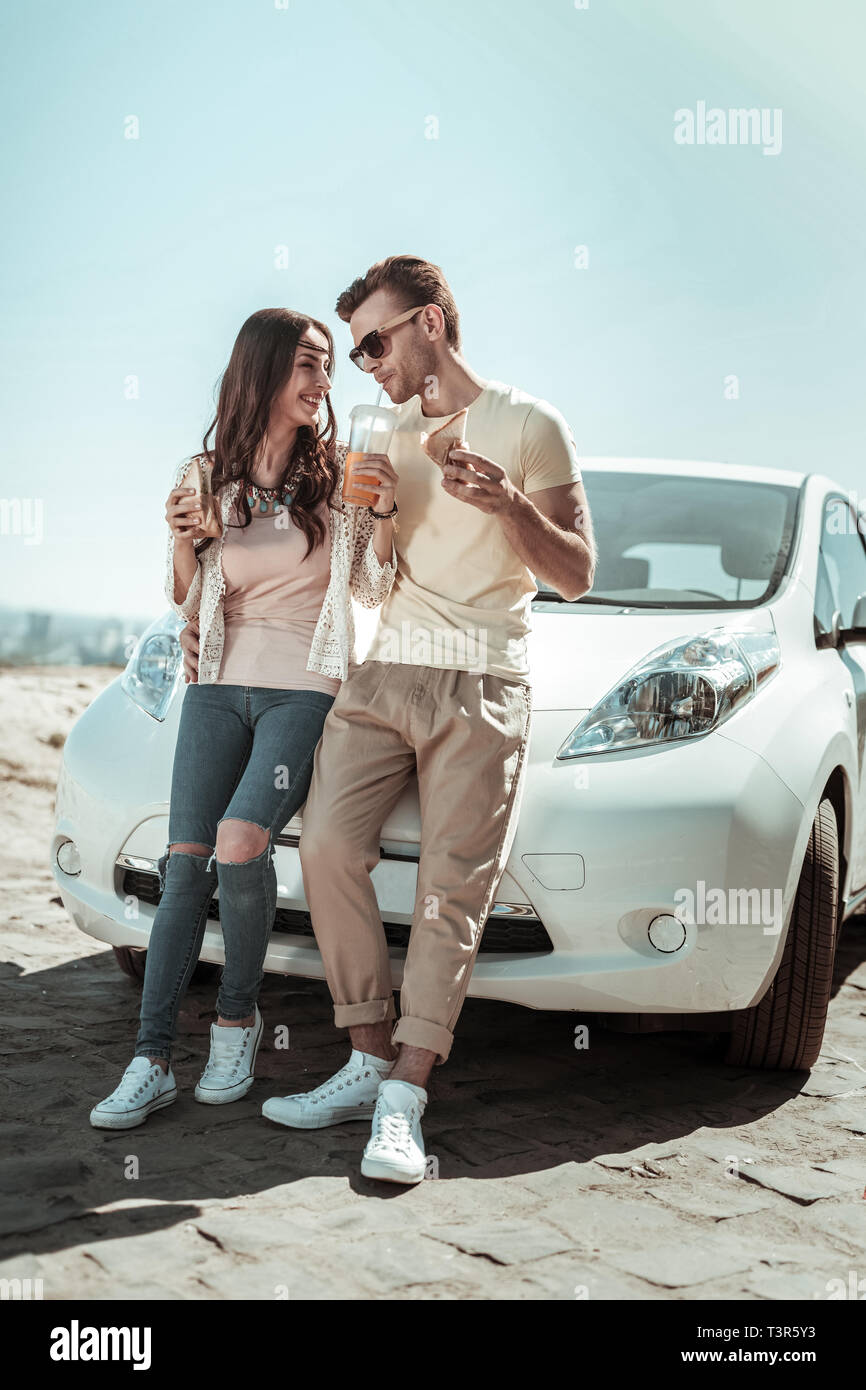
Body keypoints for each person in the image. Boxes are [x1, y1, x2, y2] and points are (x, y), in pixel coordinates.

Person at [262, 256, 598, 1183]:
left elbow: (575, 572)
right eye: (357, 346)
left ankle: (406, 1098)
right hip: (382, 673)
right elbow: (365, 570)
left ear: (432, 325)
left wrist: (508, 502)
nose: (365, 361)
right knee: (327, 845)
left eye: (375, 340)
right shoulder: (383, 431)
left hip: (484, 682)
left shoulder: (530, 424)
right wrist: (360, 520)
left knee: (454, 888)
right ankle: (366, 1053)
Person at [90, 308, 397, 1130]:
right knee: (183, 862)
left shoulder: (340, 476)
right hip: (217, 686)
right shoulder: (206, 474)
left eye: (328, 365)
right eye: (307, 362)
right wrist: (186, 542)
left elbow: (369, 588)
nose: (323, 380)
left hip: (305, 689)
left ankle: (236, 1021)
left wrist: (387, 514)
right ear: (261, 370)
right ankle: (150, 1059)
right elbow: (189, 599)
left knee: (238, 841)